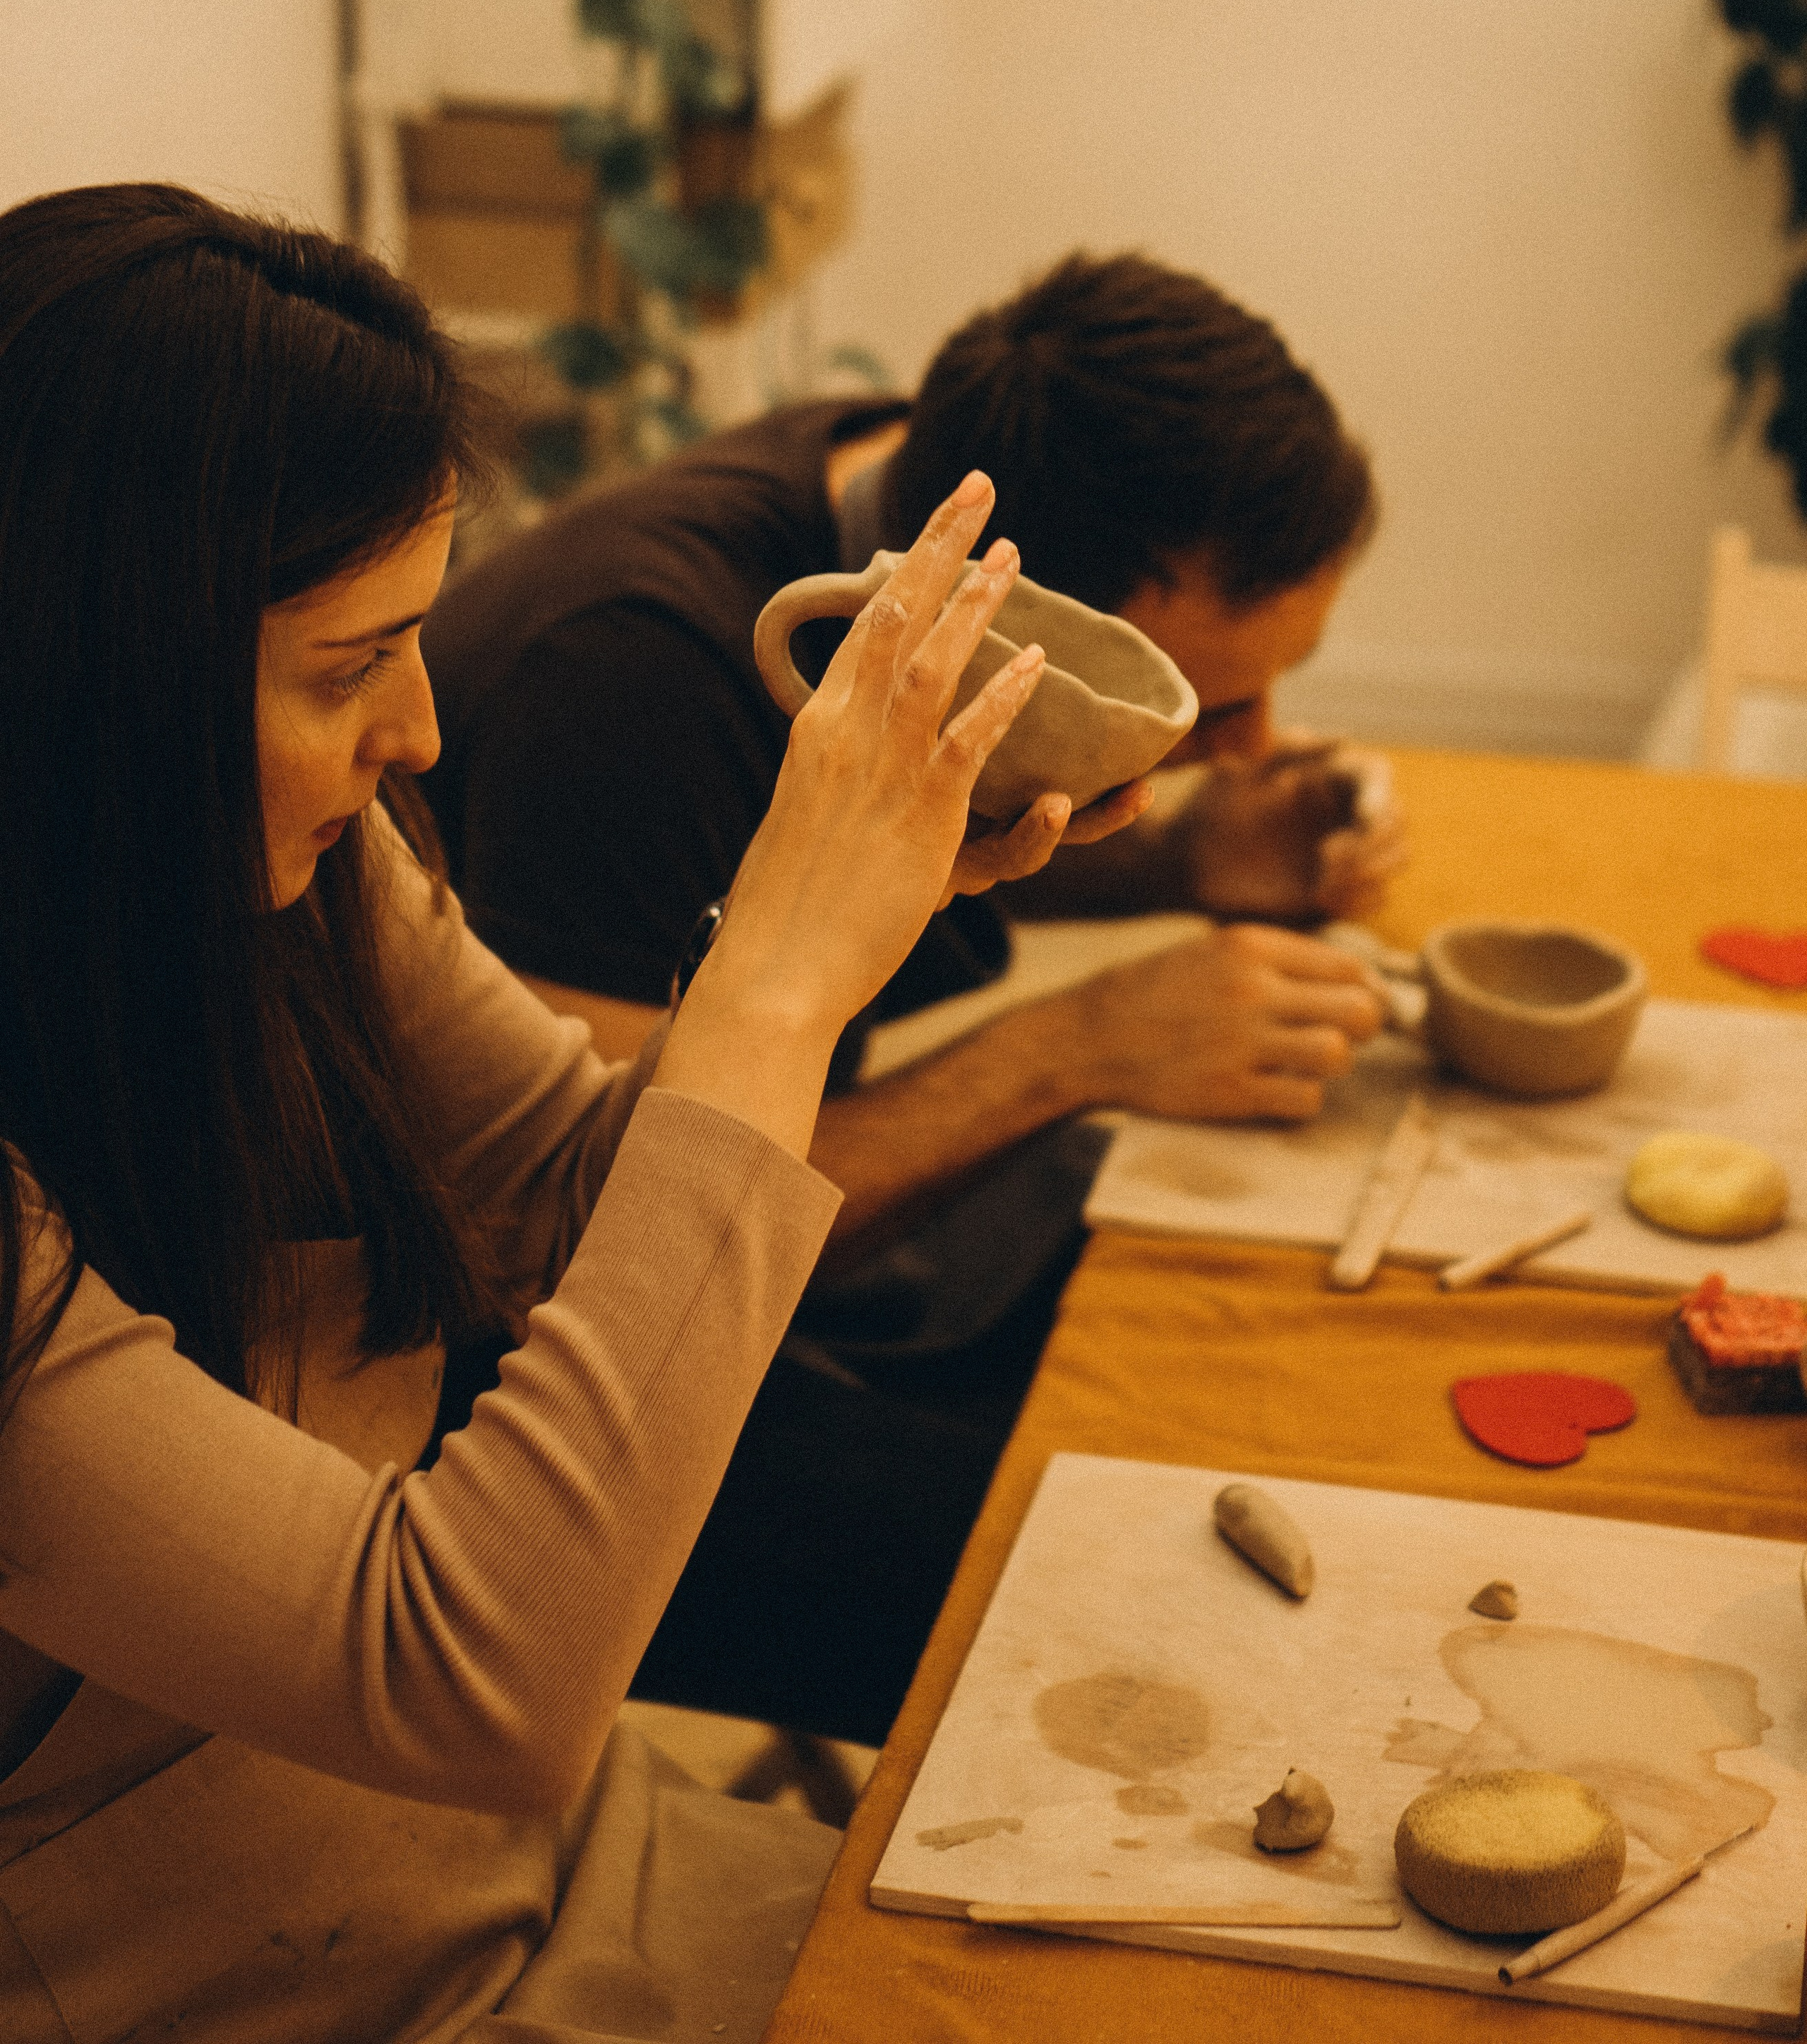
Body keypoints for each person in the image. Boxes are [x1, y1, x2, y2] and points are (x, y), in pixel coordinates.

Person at [0, 182, 1071, 2044]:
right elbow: (470, 1678)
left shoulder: (296, 880)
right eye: (348, 665)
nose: (415, 728)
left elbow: (580, 1199)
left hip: (534, 1872)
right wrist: (778, 986)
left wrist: (860, 902)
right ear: (89, 692)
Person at [419, 253, 1405, 1741]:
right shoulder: (627, 684)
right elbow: (615, 1255)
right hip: (508, 1380)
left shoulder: (910, 478)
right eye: (1208, 709)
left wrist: (1202, 850)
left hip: (729, 1219)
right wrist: (1073, 1047)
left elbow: (908, 830)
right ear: (1034, 647)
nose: (1261, 743)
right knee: (1116, 1594)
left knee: (1251, 1342)